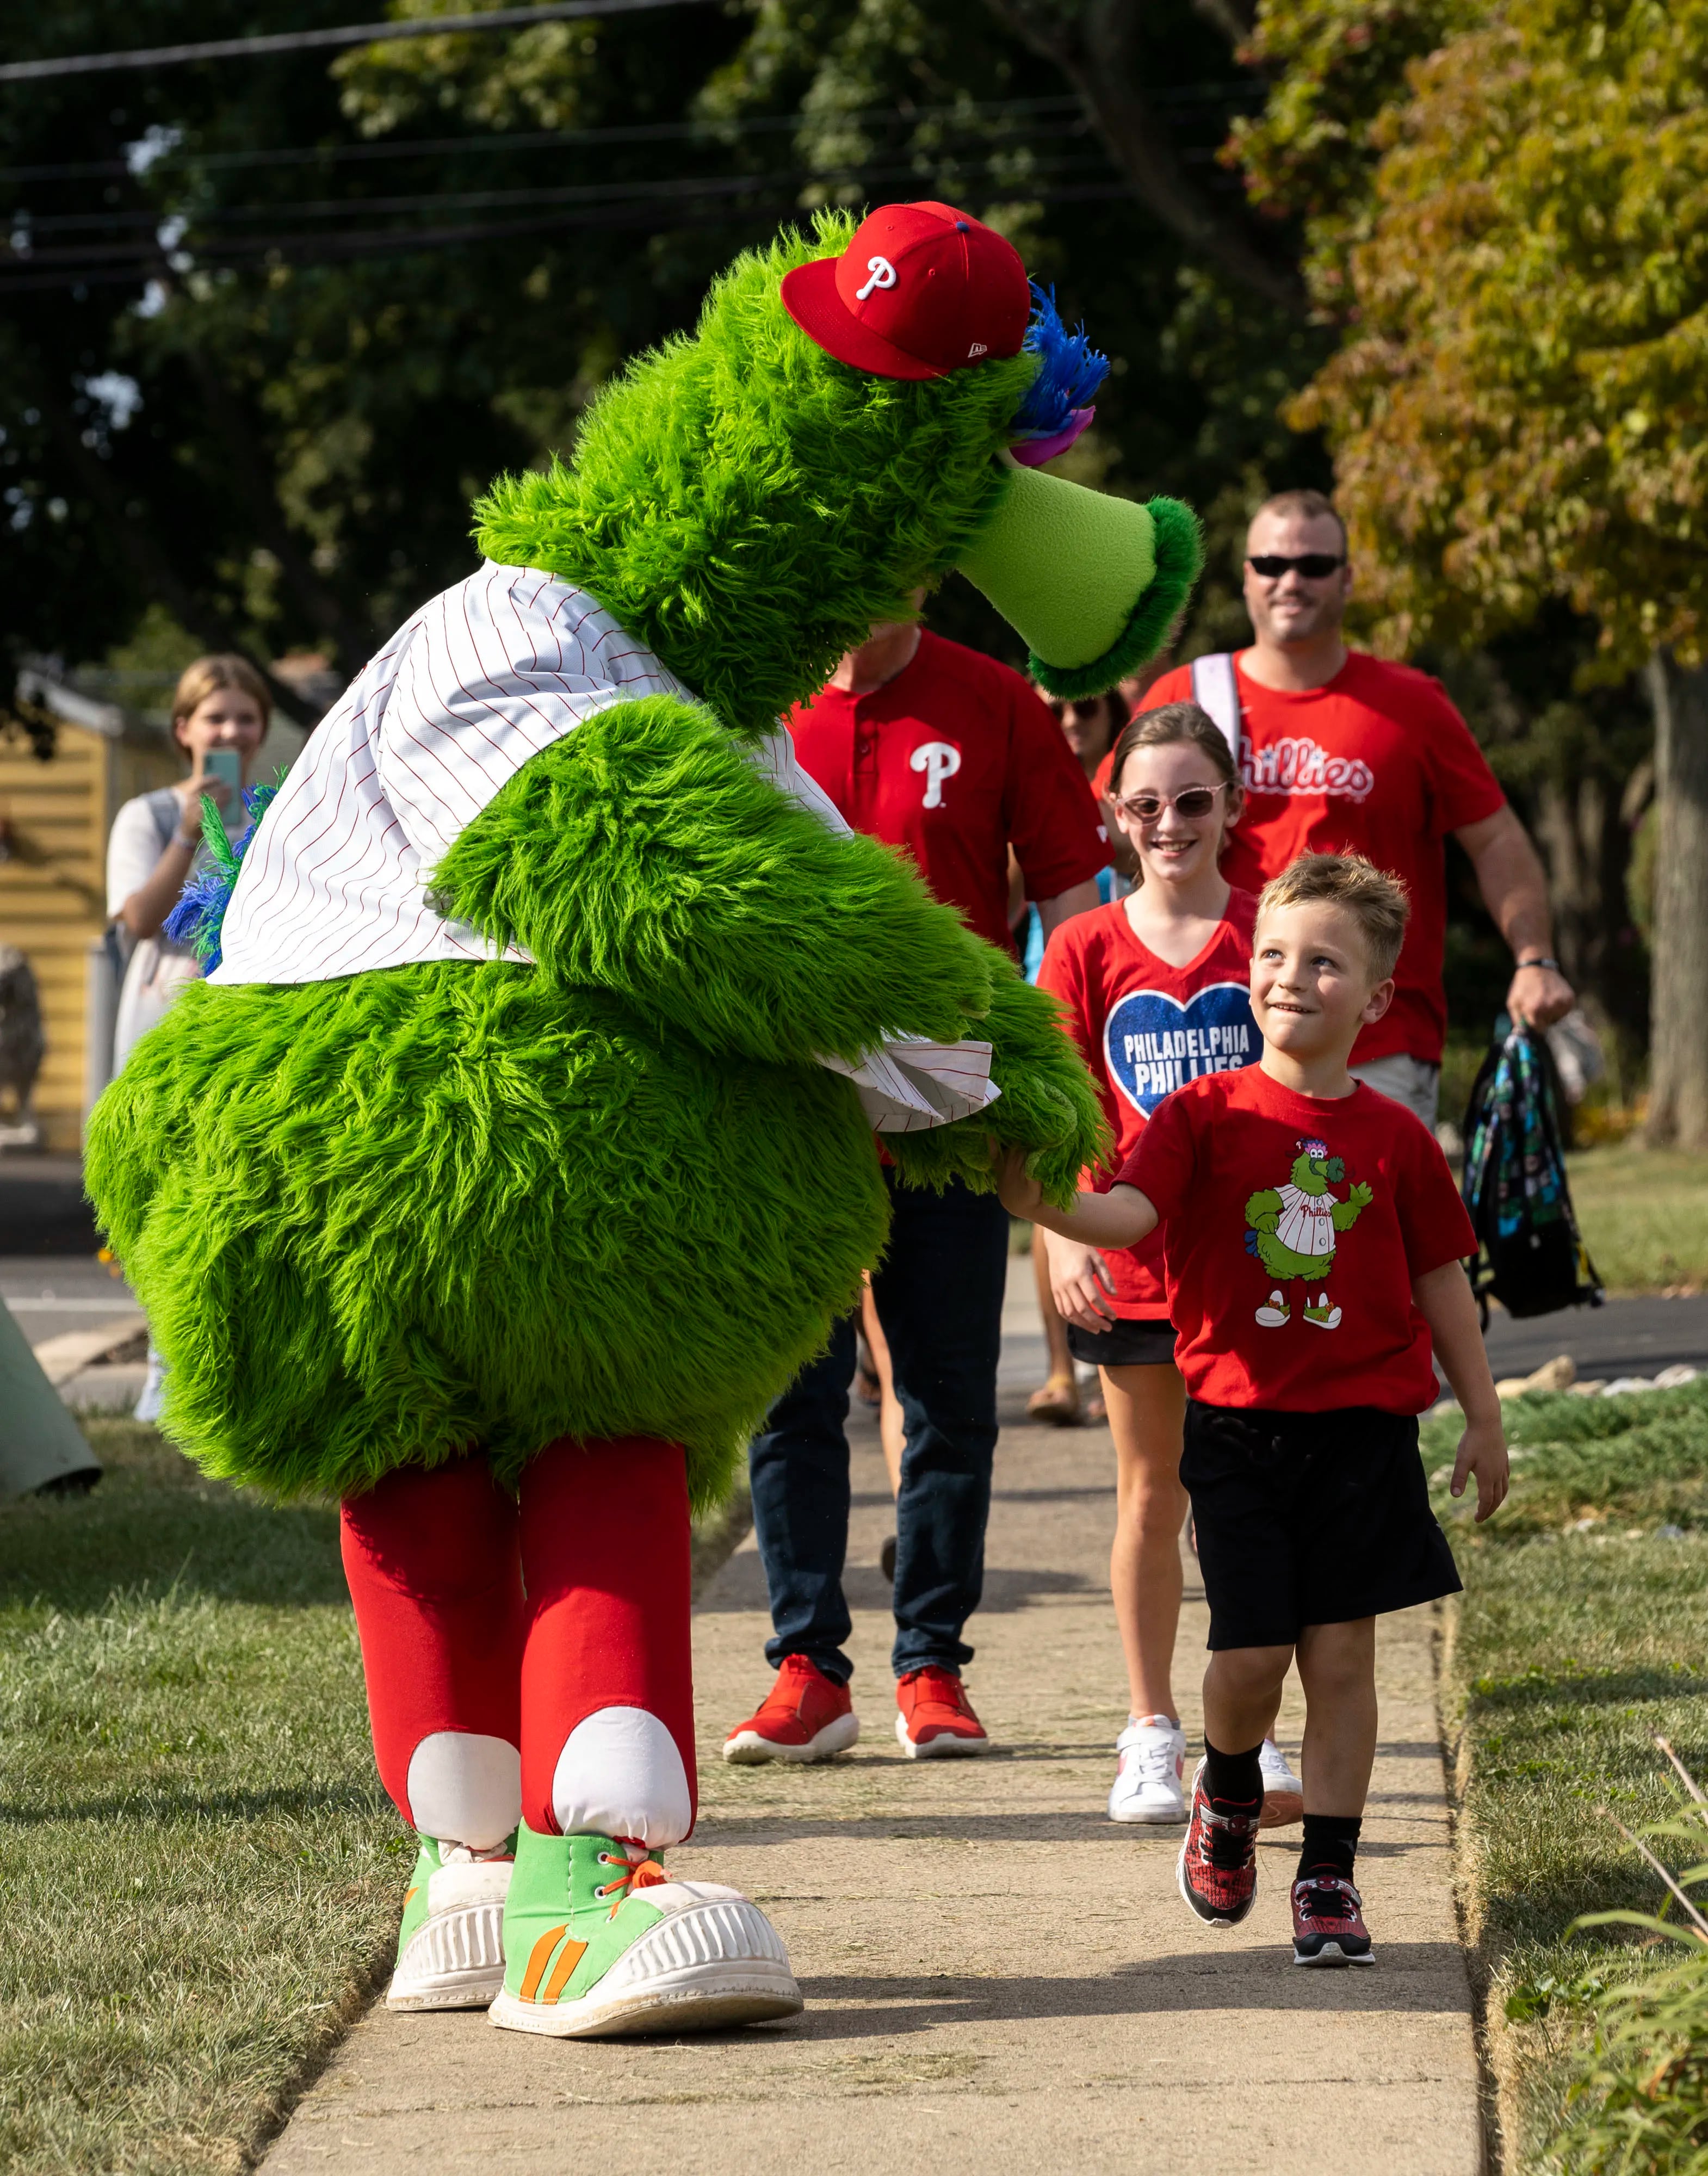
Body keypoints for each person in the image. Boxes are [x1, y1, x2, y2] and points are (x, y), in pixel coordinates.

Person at [1000, 851, 1509, 1967]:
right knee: (1249, 1657)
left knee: (1341, 1660)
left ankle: (1328, 1868)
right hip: (1234, 1428)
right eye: (1272, 955)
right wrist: (1045, 1202)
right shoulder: (1202, 1112)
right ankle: (1226, 1788)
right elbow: (1130, 1212)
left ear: (1374, 996)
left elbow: (1440, 1281)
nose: (1289, 977)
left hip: (1366, 1431)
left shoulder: (1395, 1140)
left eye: (1322, 961)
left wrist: (1481, 1412)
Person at [724, 609, 1106, 1764]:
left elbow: (1076, 907)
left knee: (948, 1397)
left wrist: (1061, 1089)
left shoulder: (993, 701)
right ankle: (807, 1668)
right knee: (794, 1398)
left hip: (949, 1114)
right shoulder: (751, 697)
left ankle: (931, 1665)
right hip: (789, 1118)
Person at [1104, 489, 1574, 1127]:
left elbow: (1494, 840)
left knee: (1354, 1222)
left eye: (1313, 565)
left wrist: (1533, 958)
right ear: (1244, 576)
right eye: (1269, 564)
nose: (1288, 580)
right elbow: (1099, 831)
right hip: (1223, 1029)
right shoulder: (1186, 695)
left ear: (1347, 578)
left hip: (1375, 1032)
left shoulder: (1410, 703)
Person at [1036, 699, 1301, 1827]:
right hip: (1131, 1267)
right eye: (1146, 803)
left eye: (1193, 800)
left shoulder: (1268, 934)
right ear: (1115, 816)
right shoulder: (1083, 947)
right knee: (1151, 1491)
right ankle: (1150, 1729)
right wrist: (1056, 1232)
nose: (1170, 822)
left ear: (1231, 807)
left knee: (1254, 1499)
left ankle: (1253, 1732)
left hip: (1257, 1267)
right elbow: (1052, 1114)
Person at [105, 654, 269, 1423]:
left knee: (236, 1194)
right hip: (161, 1023)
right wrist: (186, 831)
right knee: (156, 1194)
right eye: (216, 718)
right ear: (184, 730)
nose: (230, 730)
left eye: (244, 718)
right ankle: (162, 1372)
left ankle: (229, 1383)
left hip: (242, 1025)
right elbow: (137, 921)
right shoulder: (145, 815)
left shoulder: (277, 815)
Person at [1019, 682, 1129, 1427]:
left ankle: (1126, 1345)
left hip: (1130, 998)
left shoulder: (1137, 792)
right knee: (1052, 1182)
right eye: (1052, 710)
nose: (1068, 723)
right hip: (1044, 987)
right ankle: (1064, 1369)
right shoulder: (1023, 778)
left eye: (1084, 709)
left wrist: (1109, 816)